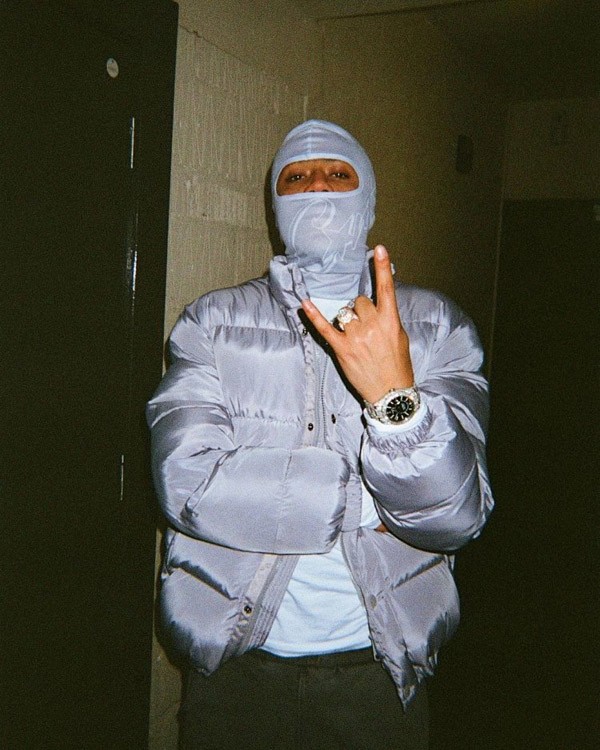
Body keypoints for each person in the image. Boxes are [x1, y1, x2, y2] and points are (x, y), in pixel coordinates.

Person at [147, 120, 494, 749]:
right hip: (236, 668)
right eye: (297, 177)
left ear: (367, 196)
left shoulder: (436, 324)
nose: (317, 188)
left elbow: (457, 515)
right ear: (275, 203)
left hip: (378, 669)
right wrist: (370, 500)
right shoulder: (213, 322)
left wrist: (393, 397)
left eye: (338, 174)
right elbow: (187, 483)